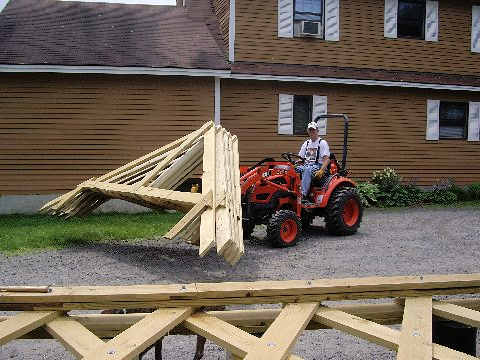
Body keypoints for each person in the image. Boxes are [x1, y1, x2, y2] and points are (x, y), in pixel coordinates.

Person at [296, 120, 330, 202]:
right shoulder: (306, 143)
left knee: (307, 170)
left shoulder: (322, 143)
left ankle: (303, 195)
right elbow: (300, 159)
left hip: (317, 166)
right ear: (308, 131)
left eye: (313, 130)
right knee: (292, 170)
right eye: (310, 130)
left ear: (317, 131)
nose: (312, 132)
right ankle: (291, 192)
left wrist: (322, 170)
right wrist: (295, 164)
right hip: (306, 165)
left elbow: (327, 159)